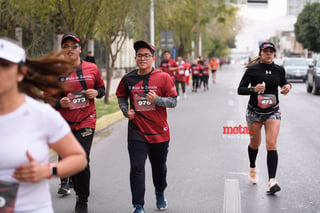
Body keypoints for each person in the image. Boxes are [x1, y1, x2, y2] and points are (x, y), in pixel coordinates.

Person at [0, 37, 87, 212]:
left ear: (21, 72)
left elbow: (79, 158)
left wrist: (47, 171)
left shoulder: (40, 114)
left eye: (4, 65)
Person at [116, 40, 177, 213]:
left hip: (159, 131)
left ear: (153, 58)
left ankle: (159, 192)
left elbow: (173, 102)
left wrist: (156, 100)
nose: (143, 58)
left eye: (146, 55)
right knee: (136, 168)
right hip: (137, 130)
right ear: (135, 58)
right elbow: (120, 96)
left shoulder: (163, 77)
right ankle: (138, 205)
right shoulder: (128, 78)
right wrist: (125, 110)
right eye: (140, 55)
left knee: (159, 169)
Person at [50, 33, 105, 213]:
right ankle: (70, 180)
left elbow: (101, 89)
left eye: (74, 46)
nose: (70, 49)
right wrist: (60, 102)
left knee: (82, 159)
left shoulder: (92, 68)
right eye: (66, 46)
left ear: (80, 49)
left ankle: (82, 199)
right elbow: (47, 99)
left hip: (86, 119)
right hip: (64, 122)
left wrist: (96, 93)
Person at [237, 41, 292, 195]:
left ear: (274, 53)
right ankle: (253, 166)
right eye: (265, 51)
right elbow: (240, 90)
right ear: (260, 53)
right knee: (255, 144)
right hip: (254, 112)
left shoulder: (279, 69)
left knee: (271, 144)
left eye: (271, 51)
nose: (268, 54)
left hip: (272, 111)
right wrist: (253, 89)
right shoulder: (252, 70)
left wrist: (288, 87)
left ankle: (272, 181)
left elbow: (284, 83)